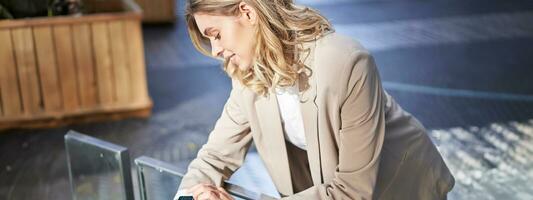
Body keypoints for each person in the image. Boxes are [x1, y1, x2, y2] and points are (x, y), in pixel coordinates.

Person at [174, 0, 455, 199]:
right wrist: (193, 195)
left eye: (216, 35)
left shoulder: (344, 62)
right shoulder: (248, 76)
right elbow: (213, 157)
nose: (216, 50)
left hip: (401, 183)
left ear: (247, 13)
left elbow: (351, 192)